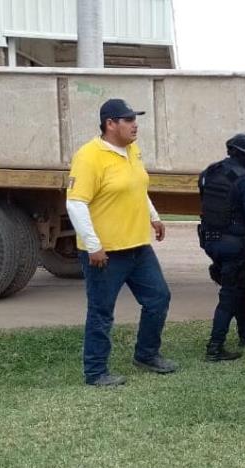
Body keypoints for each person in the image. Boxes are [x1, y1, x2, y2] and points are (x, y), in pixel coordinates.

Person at [66, 98, 175, 386]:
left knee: (158, 298)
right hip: (106, 253)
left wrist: (154, 216)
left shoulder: (132, 150)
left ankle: (147, 354)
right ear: (110, 124)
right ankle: (95, 372)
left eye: (134, 118)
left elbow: (137, 188)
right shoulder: (89, 156)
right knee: (102, 312)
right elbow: (76, 204)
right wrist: (93, 245)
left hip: (138, 245)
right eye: (128, 119)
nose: (134, 124)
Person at [198, 134, 245, 361]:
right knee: (230, 293)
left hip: (211, 241)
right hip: (235, 245)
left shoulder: (210, 172)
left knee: (242, 287)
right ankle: (215, 346)